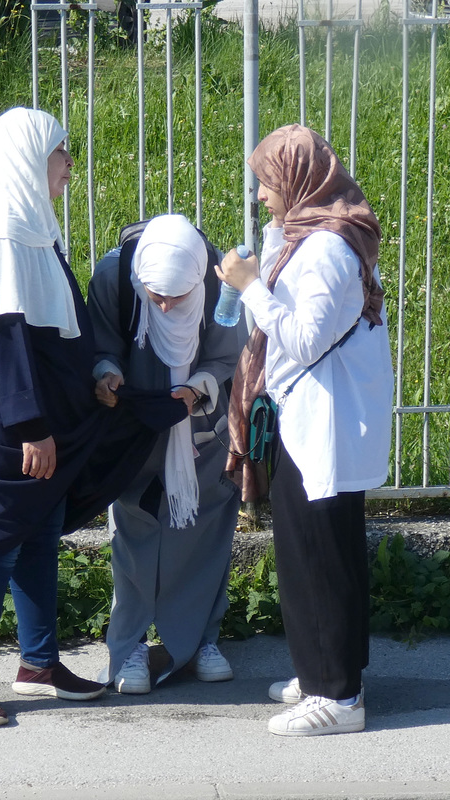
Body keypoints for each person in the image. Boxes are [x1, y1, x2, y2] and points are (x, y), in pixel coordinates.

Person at [217, 124, 393, 736]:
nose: (260, 195)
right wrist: (266, 250)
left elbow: (300, 336)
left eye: (267, 184)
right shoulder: (312, 238)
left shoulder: (324, 251)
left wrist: (249, 287)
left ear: (297, 181)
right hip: (315, 417)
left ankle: (337, 698)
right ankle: (328, 669)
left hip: (324, 420)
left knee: (316, 554)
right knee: (323, 548)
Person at [0, 107, 107, 727]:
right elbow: (2, 333)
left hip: (33, 406)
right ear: (29, 159)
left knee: (40, 525)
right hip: (0, 413)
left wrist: (94, 375)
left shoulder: (32, 220)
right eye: (61, 153)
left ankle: (38, 664)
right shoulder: (1, 225)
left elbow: (56, 318)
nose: (68, 165)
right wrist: (31, 426)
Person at [87, 214, 242, 694]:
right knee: (134, 526)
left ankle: (198, 641)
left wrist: (197, 388)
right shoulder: (115, 276)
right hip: (132, 424)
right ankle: (130, 645)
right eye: (156, 294)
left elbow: (227, 353)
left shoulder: (219, 282)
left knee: (205, 527)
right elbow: (99, 342)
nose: (166, 303)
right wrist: (107, 373)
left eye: (178, 296)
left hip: (200, 426)